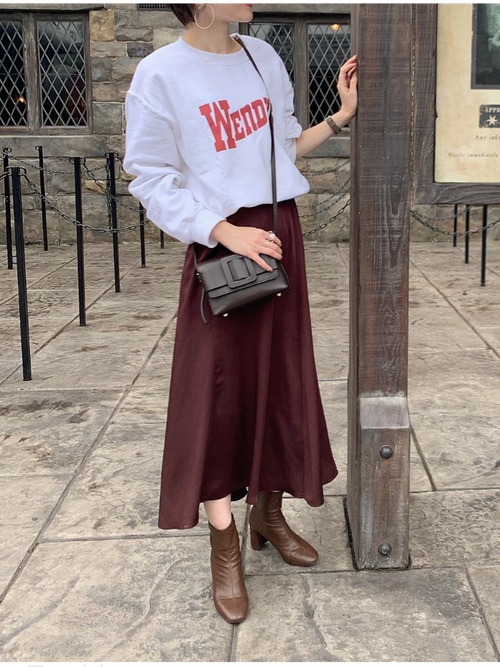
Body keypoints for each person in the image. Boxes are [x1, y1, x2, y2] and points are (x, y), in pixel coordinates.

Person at [124, 3, 357, 624]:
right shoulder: (160, 74)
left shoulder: (263, 56)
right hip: (222, 244)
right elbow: (149, 178)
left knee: (279, 379)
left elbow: (284, 150)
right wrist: (226, 232)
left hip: (278, 235)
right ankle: (224, 541)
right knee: (216, 392)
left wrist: (339, 116)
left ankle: (268, 514)